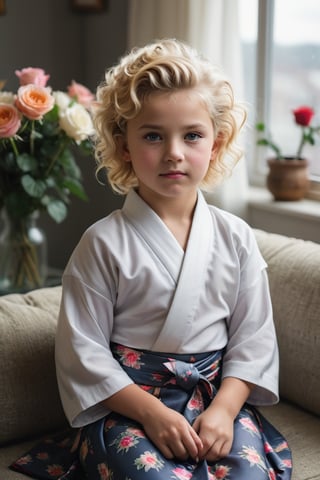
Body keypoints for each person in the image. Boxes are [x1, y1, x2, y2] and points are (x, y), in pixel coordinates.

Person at [11, 38, 292, 480]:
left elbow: (253, 341)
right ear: (124, 146)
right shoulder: (102, 244)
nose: (174, 152)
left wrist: (223, 410)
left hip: (215, 404)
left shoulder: (236, 237)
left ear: (215, 145)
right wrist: (152, 413)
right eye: (153, 135)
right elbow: (83, 352)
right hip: (128, 406)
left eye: (192, 135)